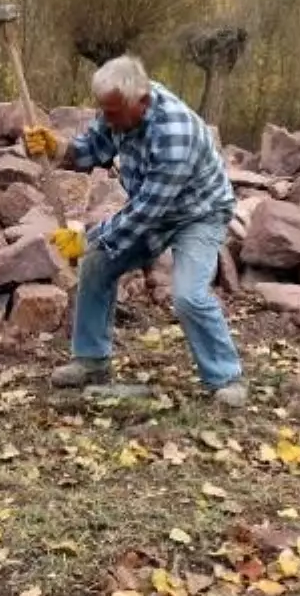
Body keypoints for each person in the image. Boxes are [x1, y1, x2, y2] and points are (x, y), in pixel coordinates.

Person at [23, 54, 246, 407]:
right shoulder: (118, 110)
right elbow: (90, 150)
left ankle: (225, 376)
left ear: (140, 102)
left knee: (188, 294)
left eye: (112, 113)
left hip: (198, 214)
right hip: (154, 205)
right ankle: (92, 361)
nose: (106, 119)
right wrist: (56, 147)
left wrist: (87, 239)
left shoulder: (174, 133)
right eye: (103, 111)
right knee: (97, 264)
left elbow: (145, 214)